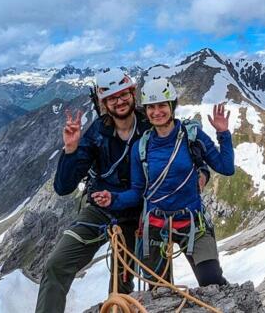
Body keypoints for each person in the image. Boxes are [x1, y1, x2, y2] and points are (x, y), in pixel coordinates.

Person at [35, 69, 209, 313]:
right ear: (103, 103)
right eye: (112, 98)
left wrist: (203, 172)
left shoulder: (151, 124)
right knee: (56, 264)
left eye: (123, 94)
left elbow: (186, 147)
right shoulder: (96, 133)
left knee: (127, 286)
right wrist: (71, 149)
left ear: (132, 94)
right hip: (101, 211)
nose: (119, 101)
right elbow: (63, 187)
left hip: (141, 216)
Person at [91, 77, 234, 287]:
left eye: (162, 106)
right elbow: (138, 192)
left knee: (212, 281)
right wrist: (112, 198)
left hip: (193, 222)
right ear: (146, 110)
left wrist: (223, 133)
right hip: (155, 226)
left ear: (172, 106)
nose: (157, 112)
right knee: (160, 290)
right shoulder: (141, 146)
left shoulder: (192, 136)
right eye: (151, 107)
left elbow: (226, 167)